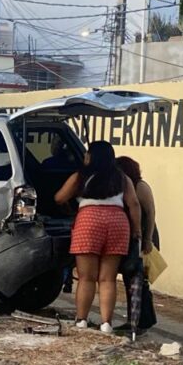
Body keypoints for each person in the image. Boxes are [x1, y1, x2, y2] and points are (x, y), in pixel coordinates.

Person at [55, 140, 142, 334]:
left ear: (90, 157)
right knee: (108, 279)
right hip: (117, 223)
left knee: (86, 278)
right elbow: (134, 204)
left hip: (89, 221)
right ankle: (106, 324)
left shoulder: (81, 176)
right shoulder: (122, 177)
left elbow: (59, 197)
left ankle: (82, 320)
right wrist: (137, 230)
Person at [116, 156, 160, 332]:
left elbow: (150, 213)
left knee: (140, 280)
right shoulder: (125, 186)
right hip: (134, 237)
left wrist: (147, 239)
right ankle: (135, 319)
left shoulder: (140, 187)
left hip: (144, 236)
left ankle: (143, 321)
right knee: (131, 279)